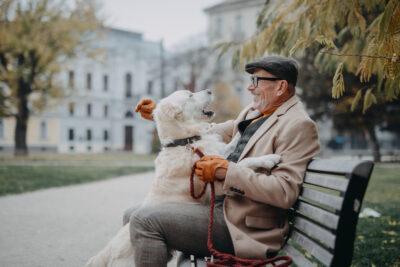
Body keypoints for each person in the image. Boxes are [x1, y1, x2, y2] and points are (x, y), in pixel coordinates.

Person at [125, 56, 320, 266]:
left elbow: (284, 191)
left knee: (144, 220)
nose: (249, 87)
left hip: (242, 227)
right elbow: (205, 131)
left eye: (256, 81)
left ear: (281, 86)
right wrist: (162, 114)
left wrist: (227, 171)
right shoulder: (255, 112)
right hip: (220, 208)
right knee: (132, 214)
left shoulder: (298, 125)